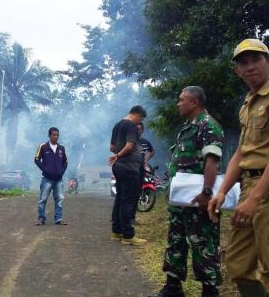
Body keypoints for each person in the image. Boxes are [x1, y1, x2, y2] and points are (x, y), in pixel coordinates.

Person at [208, 39, 269, 296]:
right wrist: (221, 191)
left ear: (267, 62)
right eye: (244, 63)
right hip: (249, 186)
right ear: (237, 71)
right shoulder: (249, 103)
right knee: (238, 263)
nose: (250, 67)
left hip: (264, 189)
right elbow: (241, 152)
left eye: (256, 59)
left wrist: (255, 198)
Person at [150, 86, 224, 297]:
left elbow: (212, 161)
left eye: (182, 100)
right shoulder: (188, 126)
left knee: (202, 244)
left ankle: (209, 291)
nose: (178, 103)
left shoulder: (207, 125)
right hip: (180, 199)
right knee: (176, 241)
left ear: (194, 103)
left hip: (198, 198)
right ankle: (173, 287)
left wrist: (207, 193)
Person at [109, 105, 147, 245]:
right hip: (129, 167)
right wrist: (120, 155)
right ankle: (128, 235)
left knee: (119, 198)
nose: (139, 123)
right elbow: (130, 145)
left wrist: (117, 155)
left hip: (118, 167)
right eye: (141, 119)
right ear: (137, 114)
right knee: (128, 201)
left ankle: (116, 232)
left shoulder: (117, 125)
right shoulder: (130, 125)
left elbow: (112, 147)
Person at [34, 127, 68, 225]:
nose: (56, 136)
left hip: (58, 179)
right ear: (49, 135)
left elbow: (65, 162)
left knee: (60, 199)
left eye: (57, 135)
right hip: (46, 179)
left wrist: (62, 172)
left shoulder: (61, 148)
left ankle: (58, 219)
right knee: (43, 199)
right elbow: (36, 159)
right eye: (54, 134)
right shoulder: (43, 146)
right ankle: (41, 218)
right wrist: (45, 170)